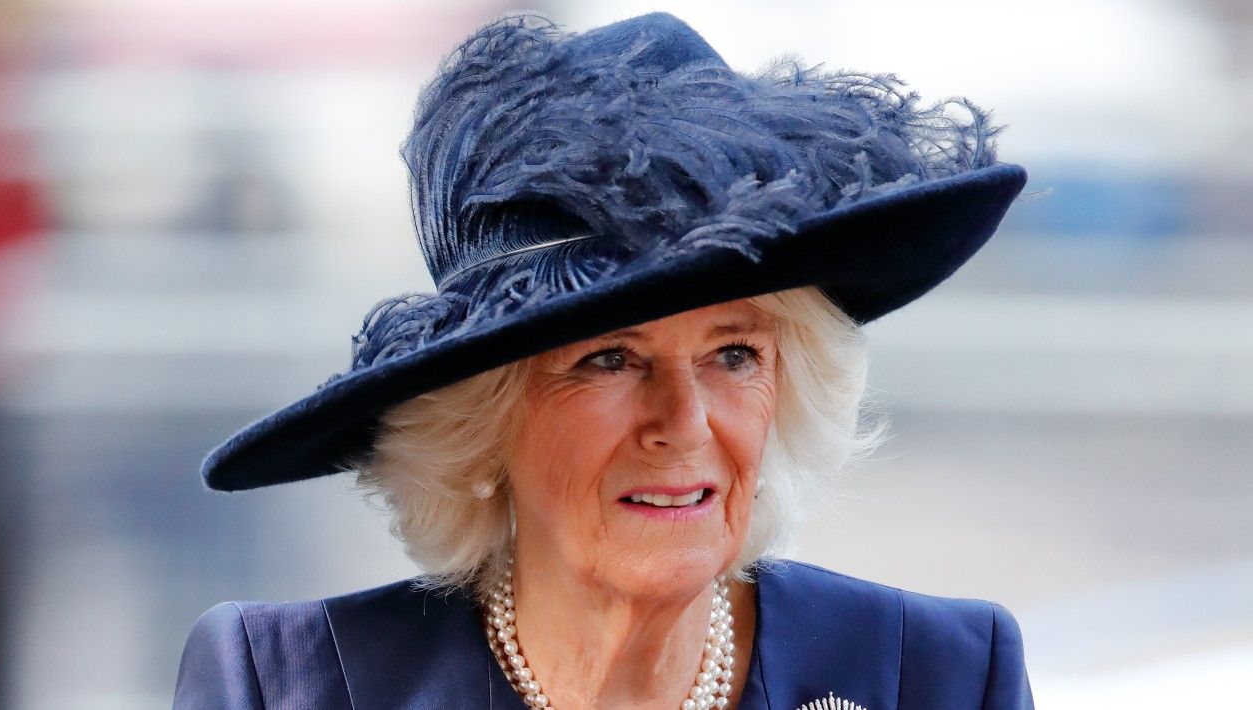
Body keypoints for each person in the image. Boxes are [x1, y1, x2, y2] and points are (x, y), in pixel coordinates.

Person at [173, 10, 1033, 710]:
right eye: (610, 360)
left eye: (733, 353)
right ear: (480, 417)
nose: (685, 423)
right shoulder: (288, 687)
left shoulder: (940, 679)